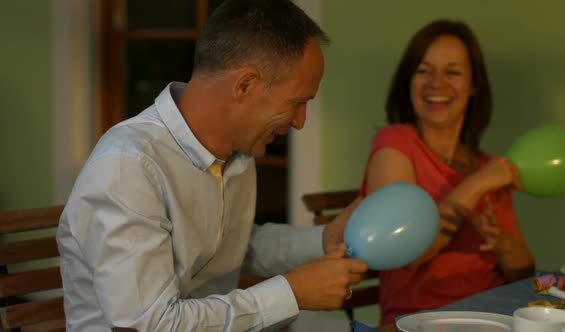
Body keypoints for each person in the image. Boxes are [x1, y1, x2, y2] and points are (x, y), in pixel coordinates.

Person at [56, 0, 368, 330]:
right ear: (245, 85)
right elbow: (149, 324)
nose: (300, 121)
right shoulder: (127, 168)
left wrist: (322, 241)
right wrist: (291, 293)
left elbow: (235, 247)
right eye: (297, 102)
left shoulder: (238, 154)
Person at [359, 19, 536, 325]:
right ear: (408, 81)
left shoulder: (487, 165)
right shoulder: (396, 142)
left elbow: (523, 273)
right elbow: (406, 252)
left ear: (473, 86)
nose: (436, 84)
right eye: (423, 70)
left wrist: (505, 246)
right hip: (421, 320)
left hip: (495, 316)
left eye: (452, 72)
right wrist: (478, 184)